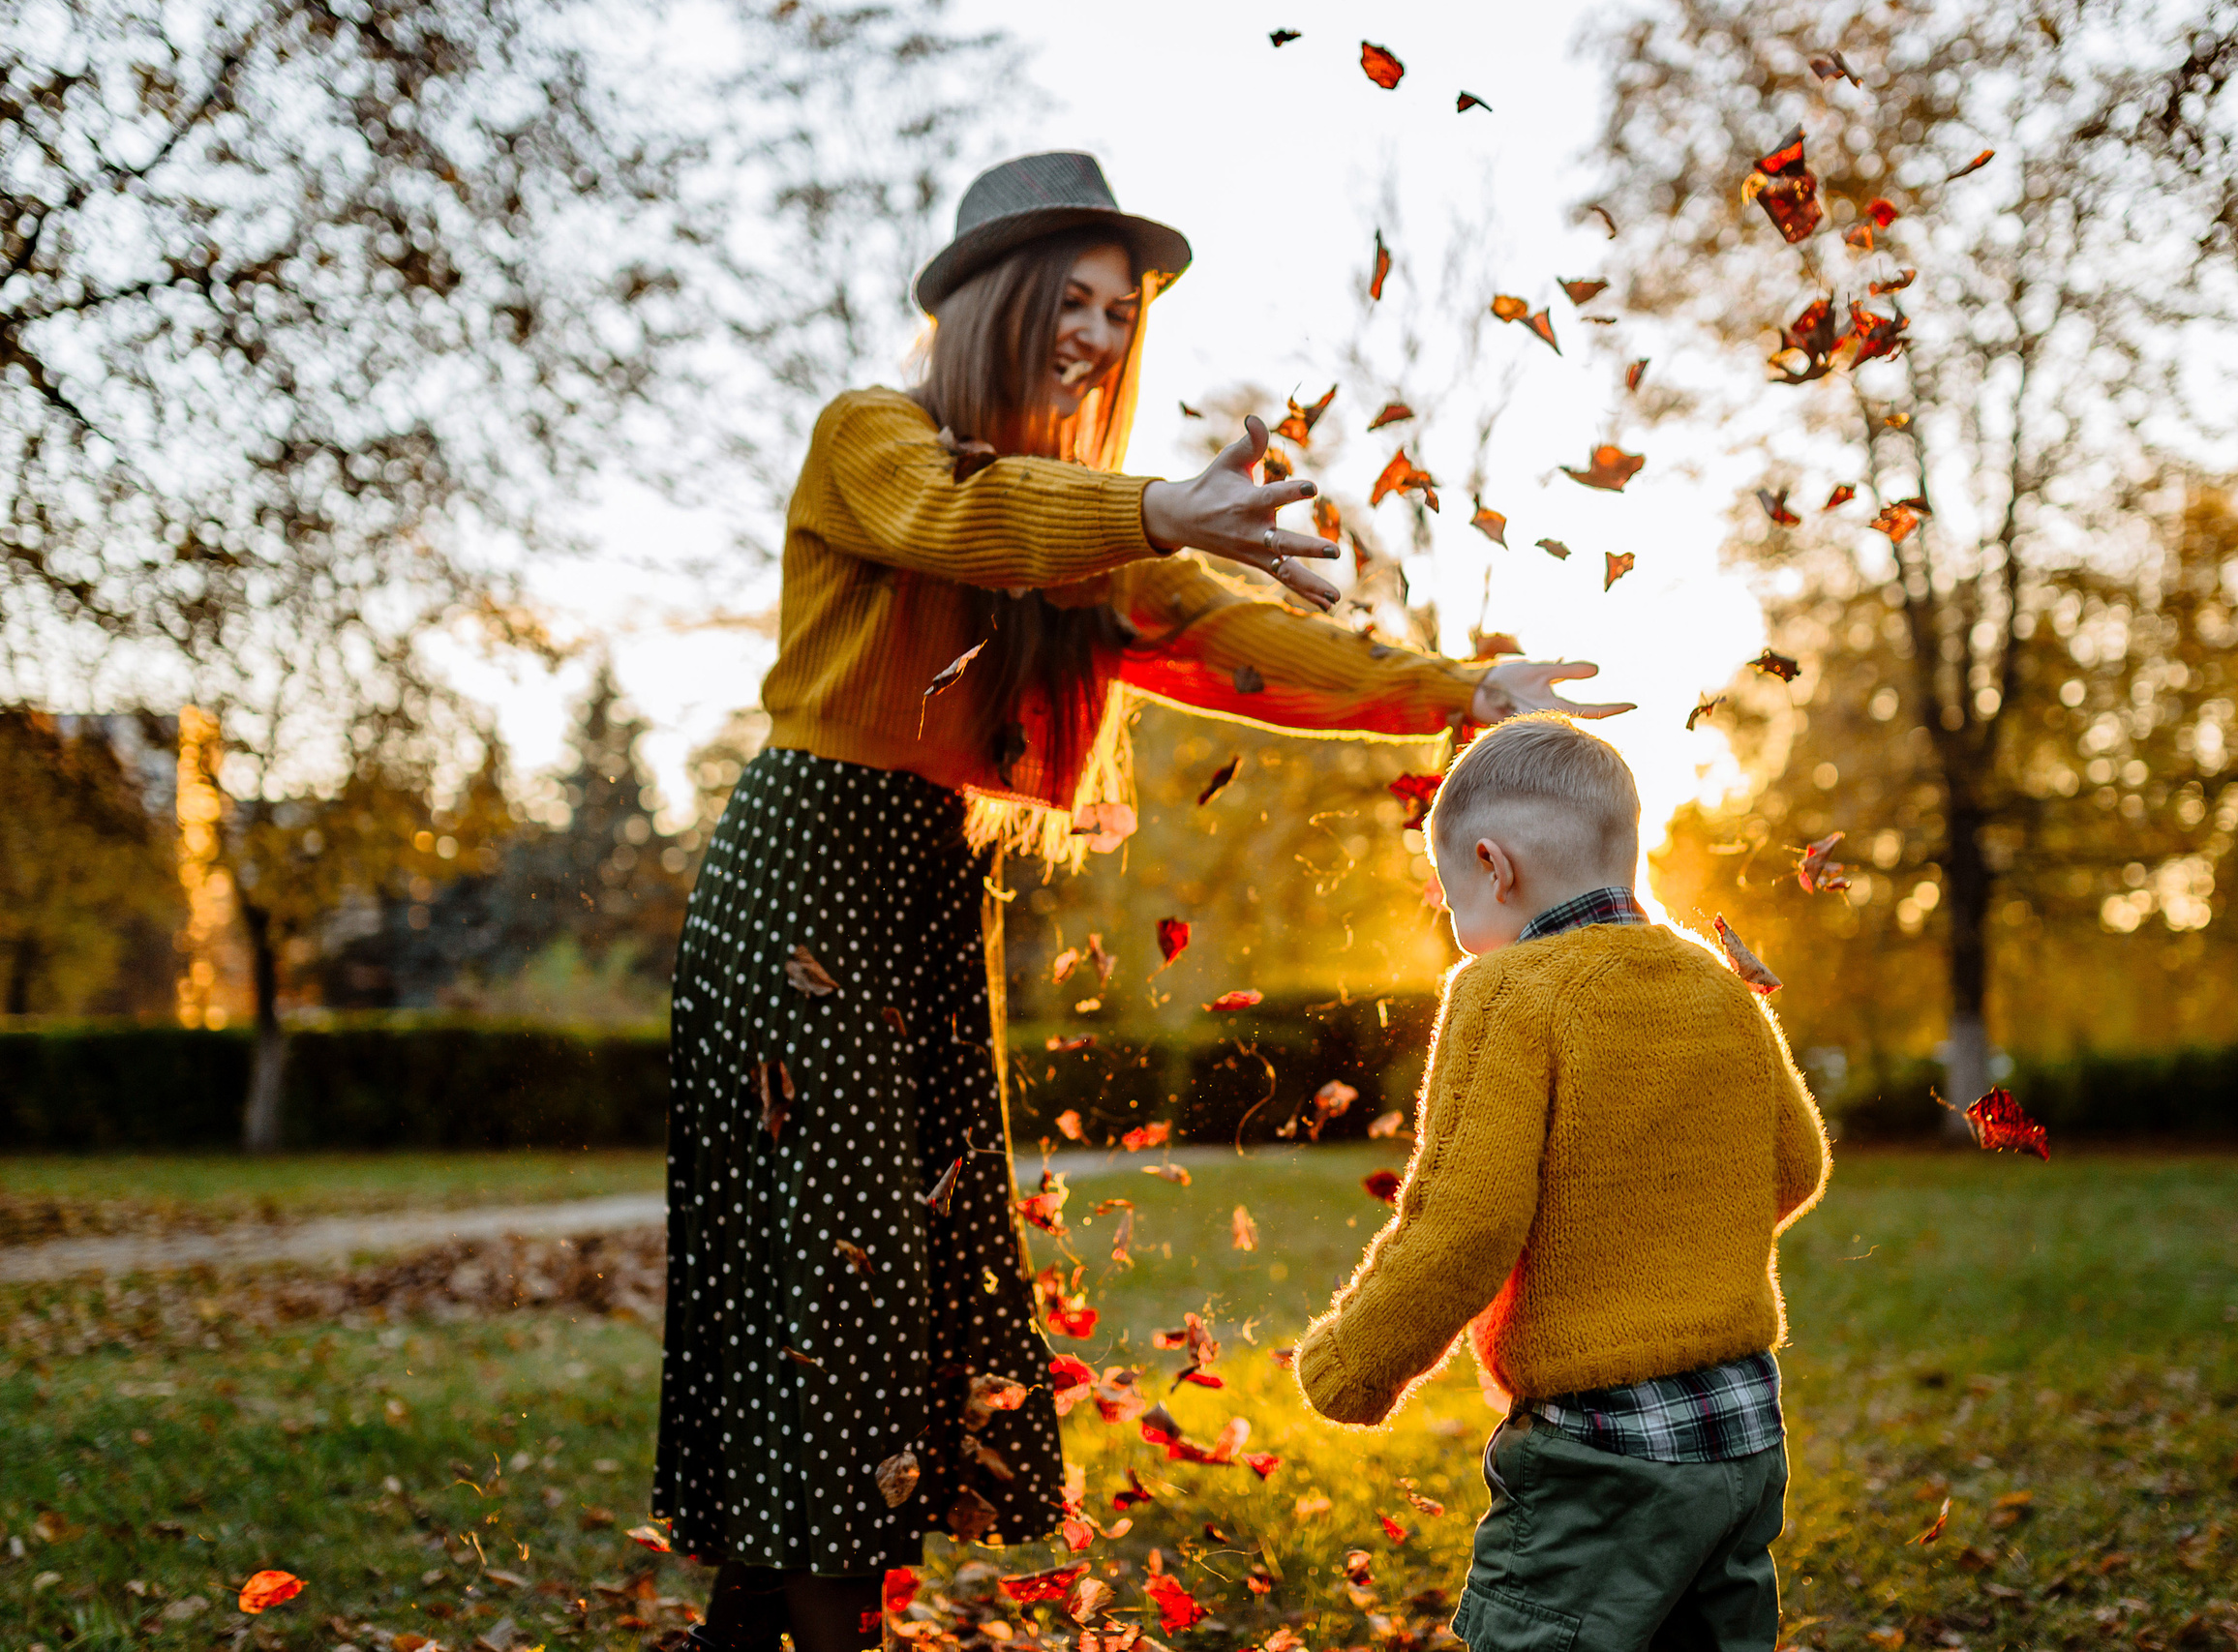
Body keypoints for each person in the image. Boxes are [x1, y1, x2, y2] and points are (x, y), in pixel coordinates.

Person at [650, 152, 1631, 1652]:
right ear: (991, 298)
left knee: (885, 1259)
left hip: (920, 878)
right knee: (831, 1256)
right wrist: (1161, 503)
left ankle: (744, 1625)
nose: (1099, 336)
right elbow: (943, 516)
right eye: (1074, 299)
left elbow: (1243, 645)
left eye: (1122, 312)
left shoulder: (1086, 544)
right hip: (805, 865)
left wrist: (1461, 691)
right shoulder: (876, 437)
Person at [1293, 712, 1830, 1651]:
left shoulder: (1507, 993)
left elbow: (1463, 1225)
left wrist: (1352, 1363)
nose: (1461, 932)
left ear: (1493, 867)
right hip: (1743, 1431)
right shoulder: (1713, 981)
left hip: (1603, 1448)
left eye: (1452, 899)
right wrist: (1675, 1241)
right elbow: (1795, 1164)